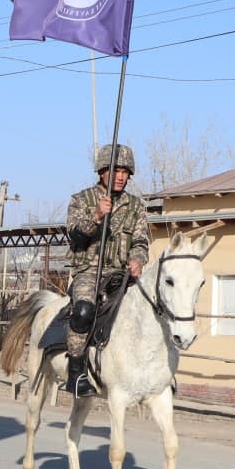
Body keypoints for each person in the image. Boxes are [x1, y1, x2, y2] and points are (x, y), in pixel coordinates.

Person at [61, 143, 151, 397]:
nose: (121, 177)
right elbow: (75, 236)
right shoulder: (81, 200)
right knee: (83, 310)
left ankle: (154, 372)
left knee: (153, 308)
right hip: (88, 271)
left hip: (121, 274)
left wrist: (138, 259)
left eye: (126, 172)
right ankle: (76, 373)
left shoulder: (136, 206)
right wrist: (97, 216)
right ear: (102, 171)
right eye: (116, 171)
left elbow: (141, 241)